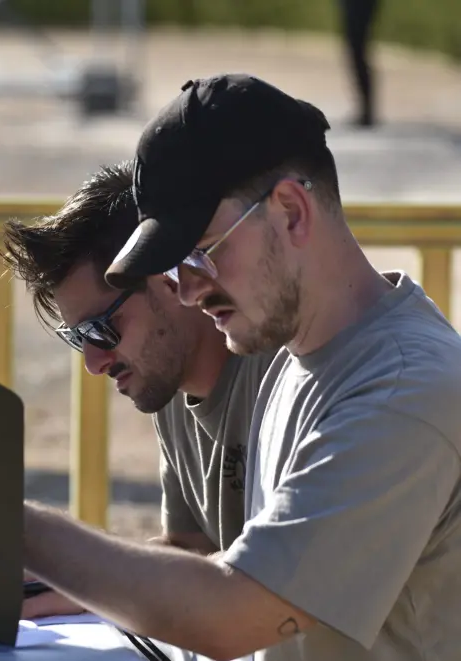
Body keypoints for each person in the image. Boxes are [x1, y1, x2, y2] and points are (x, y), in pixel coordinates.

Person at [25, 73, 461, 661]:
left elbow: (239, 615)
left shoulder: (402, 388)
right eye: (175, 270)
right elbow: (210, 563)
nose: (187, 293)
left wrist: (15, 526)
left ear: (290, 211)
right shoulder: (289, 358)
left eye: (200, 253)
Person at [0, 162, 275, 619]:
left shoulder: (283, 375)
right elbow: (190, 550)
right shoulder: (170, 379)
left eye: (103, 328)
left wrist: (41, 540)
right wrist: (50, 587)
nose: (93, 362)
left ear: (171, 279)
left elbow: (259, 593)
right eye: (77, 337)